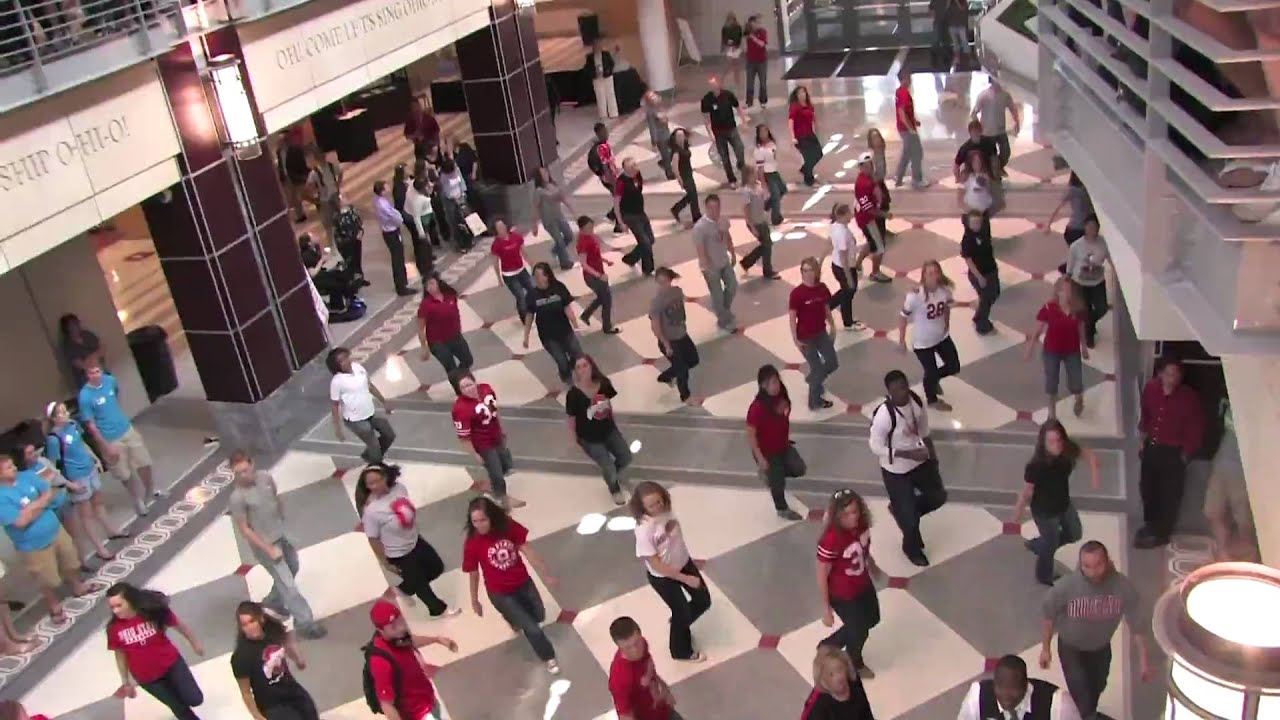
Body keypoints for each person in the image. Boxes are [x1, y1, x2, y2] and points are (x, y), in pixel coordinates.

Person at [1040, 542, 1152, 718]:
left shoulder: (1122, 587)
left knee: (1097, 687)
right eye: (1087, 566)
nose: (1093, 572)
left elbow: (1137, 624)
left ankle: (1087, 713)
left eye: (1098, 565)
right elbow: (1049, 616)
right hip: (1071, 648)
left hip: (1101, 648)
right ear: (1080, 564)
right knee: (1081, 693)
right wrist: (1045, 649)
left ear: (1107, 561)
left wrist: (1144, 661)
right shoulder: (1066, 587)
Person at [228, 450, 327, 639]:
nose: (243, 476)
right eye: (238, 473)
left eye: (245, 470)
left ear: (252, 465)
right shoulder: (237, 498)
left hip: (282, 534)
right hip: (265, 545)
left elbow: (275, 497)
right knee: (289, 586)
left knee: (293, 566)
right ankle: (305, 623)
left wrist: (283, 521)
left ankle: (273, 601)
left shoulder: (265, 477)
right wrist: (268, 549)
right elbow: (245, 529)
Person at [463, 496, 560, 673]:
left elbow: (527, 549)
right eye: (475, 521)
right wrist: (474, 600)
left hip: (523, 582)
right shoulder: (472, 542)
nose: (479, 525)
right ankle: (548, 657)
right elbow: (473, 573)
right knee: (532, 628)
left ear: (492, 517)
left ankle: (513, 619)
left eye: (483, 520)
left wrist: (546, 574)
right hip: (500, 593)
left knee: (539, 614)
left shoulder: (508, 526)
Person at [358, 464, 459, 619]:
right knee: (421, 585)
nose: (375, 486)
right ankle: (439, 610)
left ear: (386, 477)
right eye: (371, 483)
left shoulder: (399, 489)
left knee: (436, 567)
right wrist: (385, 562)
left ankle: (403, 588)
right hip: (398, 553)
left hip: (415, 540)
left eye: (378, 480)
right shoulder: (371, 511)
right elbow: (373, 539)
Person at [868, 370, 947, 567]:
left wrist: (933, 456)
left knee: (938, 496)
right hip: (896, 471)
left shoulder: (916, 402)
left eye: (904, 387)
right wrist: (907, 454)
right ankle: (911, 548)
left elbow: (924, 431)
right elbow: (875, 446)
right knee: (910, 520)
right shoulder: (884, 416)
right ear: (889, 392)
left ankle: (902, 511)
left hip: (921, 463)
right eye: (896, 390)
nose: (902, 392)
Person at [1010, 420, 1101, 586]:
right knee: (1050, 545)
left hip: (1063, 503)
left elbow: (1088, 455)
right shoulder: (1035, 466)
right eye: (1051, 442)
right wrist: (1017, 514)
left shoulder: (1067, 449)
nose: (1056, 445)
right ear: (1043, 443)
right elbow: (1027, 492)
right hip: (1044, 512)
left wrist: (1095, 474)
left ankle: (1040, 545)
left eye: (1059, 440)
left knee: (1075, 533)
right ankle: (1044, 575)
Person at [0, 453, 87, 623]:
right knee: (46, 579)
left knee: (70, 561)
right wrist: (41, 503)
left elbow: (50, 492)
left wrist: (32, 507)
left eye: (13, 465)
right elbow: (20, 522)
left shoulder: (27, 476)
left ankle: (78, 586)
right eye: (9, 468)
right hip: (33, 545)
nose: (15, 468)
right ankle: (54, 605)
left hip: (55, 530)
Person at [631, 481, 711, 663]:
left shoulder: (667, 510)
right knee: (681, 611)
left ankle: (679, 623)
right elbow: (656, 565)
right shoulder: (644, 530)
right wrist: (685, 578)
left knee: (703, 600)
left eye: (659, 501)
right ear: (642, 508)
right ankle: (681, 651)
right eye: (651, 506)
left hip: (683, 562)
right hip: (663, 577)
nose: (658, 507)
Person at [106, 582, 205, 719]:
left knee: (195, 698)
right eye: (112, 607)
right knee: (179, 708)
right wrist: (126, 682)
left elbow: (179, 625)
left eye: (119, 605)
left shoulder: (153, 612)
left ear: (130, 600)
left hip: (171, 664)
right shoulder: (114, 629)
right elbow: (120, 655)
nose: (116, 611)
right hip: (147, 678)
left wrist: (194, 642)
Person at [45, 400, 126, 560]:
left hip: (89, 469)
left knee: (99, 502)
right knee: (86, 515)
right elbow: (53, 466)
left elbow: (81, 444)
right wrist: (69, 484)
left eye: (66, 410)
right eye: (61, 412)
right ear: (54, 418)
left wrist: (94, 458)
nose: (66, 414)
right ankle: (99, 548)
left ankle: (111, 530)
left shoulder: (73, 425)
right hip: (76, 476)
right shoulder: (53, 439)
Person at [1135, 357, 1203, 549]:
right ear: (1161, 374)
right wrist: (1142, 439)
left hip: (1173, 452)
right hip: (1152, 446)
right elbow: (1146, 414)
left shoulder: (1188, 397)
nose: (1172, 379)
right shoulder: (1151, 389)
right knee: (1148, 488)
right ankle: (1150, 524)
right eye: (1169, 374)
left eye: (1176, 375)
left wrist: (1185, 454)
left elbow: (1195, 427)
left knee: (1170, 494)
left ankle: (1163, 532)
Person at [817, 489, 881, 679]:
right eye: (846, 514)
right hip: (843, 594)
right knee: (859, 630)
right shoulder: (831, 539)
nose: (852, 517)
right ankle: (855, 663)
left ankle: (830, 644)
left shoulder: (861, 526)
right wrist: (826, 607)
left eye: (855, 511)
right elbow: (822, 573)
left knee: (872, 619)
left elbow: (863, 548)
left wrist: (872, 565)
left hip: (863, 584)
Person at [78, 362, 156, 515]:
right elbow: (91, 425)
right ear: (87, 375)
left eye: (97, 371)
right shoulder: (85, 396)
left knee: (144, 462)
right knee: (124, 473)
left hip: (126, 429)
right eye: (92, 373)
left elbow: (116, 395)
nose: (96, 375)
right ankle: (137, 500)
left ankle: (150, 490)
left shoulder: (110, 381)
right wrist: (105, 446)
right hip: (110, 438)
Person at [365, 599, 457, 720]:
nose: (400, 628)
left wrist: (437, 639)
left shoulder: (398, 638)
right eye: (393, 626)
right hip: (416, 714)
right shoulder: (380, 661)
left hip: (429, 700)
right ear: (381, 631)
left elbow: (410, 641)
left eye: (400, 621)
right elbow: (387, 705)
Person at [231, 601, 319, 720]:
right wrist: (256, 715)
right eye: (244, 625)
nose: (249, 628)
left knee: (311, 714)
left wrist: (297, 659)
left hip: (291, 689)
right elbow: (245, 692)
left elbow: (287, 643)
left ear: (261, 619)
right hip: (272, 705)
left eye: (252, 621)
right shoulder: (241, 657)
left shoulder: (272, 632)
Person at [452, 371, 526, 509]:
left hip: (497, 435)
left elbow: (495, 411)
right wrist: (475, 455)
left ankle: (494, 484)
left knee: (505, 463)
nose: (468, 389)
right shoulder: (460, 409)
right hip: (483, 444)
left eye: (469, 384)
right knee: (496, 471)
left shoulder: (486, 389)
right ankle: (502, 498)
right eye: (463, 387)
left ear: (475, 382)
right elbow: (464, 437)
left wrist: (501, 430)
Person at [566, 355, 632, 505]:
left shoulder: (604, 383)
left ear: (591, 365)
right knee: (607, 465)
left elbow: (608, 404)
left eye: (585, 365)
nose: (583, 369)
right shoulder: (573, 394)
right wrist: (574, 438)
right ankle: (614, 488)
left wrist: (613, 423)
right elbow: (572, 418)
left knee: (626, 457)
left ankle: (614, 473)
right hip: (589, 438)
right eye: (579, 367)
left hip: (609, 430)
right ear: (575, 371)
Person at [898, 260, 961, 411]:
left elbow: (947, 306)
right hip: (922, 342)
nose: (934, 276)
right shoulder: (915, 296)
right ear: (924, 276)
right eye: (930, 273)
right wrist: (901, 340)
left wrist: (947, 323)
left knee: (953, 366)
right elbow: (903, 316)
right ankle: (932, 399)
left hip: (941, 337)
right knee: (930, 371)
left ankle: (932, 380)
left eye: (936, 272)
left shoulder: (945, 290)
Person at [746, 364, 806, 520]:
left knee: (799, 468)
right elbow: (751, 435)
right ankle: (781, 508)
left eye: (777, 381)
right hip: (767, 452)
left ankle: (771, 475)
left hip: (783, 445)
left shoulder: (782, 397)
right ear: (763, 386)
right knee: (778, 483)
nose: (776, 385)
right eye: (772, 383)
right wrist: (760, 458)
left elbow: (783, 416)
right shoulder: (757, 408)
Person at [1024, 277, 1089, 419]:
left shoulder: (1078, 309)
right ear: (1058, 291)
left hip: (1072, 350)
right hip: (1052, 350)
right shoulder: (1049, 308)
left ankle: (1079, 399)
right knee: (1051, 381)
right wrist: (1030, 348)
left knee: (1076, 379)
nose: (1067, 293)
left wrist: (1084, 346)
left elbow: (1081, 327)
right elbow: (1038, 330)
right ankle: (1052, 412)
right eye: (1063, 290)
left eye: (1070, 290)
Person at [1204, 401, 1256, 560]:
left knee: (1244, 521)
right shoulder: (1234, 404)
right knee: (1212, 511)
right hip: (1222, 464)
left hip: (1244, 471)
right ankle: (1223, 552)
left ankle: (1249, 558)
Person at [957, 654, 1080, 720]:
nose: (1005, 695)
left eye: (1012, 688)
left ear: (1026, 684)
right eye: (1000, 686)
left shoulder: (1058, 704)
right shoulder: (977, 698)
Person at [327, 347, 397, 463]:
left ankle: (369, 455)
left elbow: (369, 386)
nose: (346, 361)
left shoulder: (358, 367)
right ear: (336, 366)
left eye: (346, 357)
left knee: (389, 434)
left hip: (370, 413)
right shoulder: (337, 381)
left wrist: (384, 402)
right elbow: (335, 405)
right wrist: (338, 428)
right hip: (355, 420)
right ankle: (376, 463)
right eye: (341, 361)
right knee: (374, 445)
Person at [608, 616, 683, 720]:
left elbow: (649, 668)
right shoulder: (620, 678)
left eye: (636, 642)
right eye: (628, 648)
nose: (635, 650)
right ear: (619, 646)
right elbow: (625, 715)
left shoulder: (643, 645)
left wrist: (664, 689)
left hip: (663, 710)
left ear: (640, 635)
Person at [790, 257, 839, 411]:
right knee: (817, 368)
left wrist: (833, 325)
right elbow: (792, 318)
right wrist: (795, 340)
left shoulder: (822, 289)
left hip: (821, 333)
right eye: (804, 270)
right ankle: (815, 401)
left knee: (832, 363)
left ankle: (814, 380)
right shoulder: (797, 294)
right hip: (805, 337)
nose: (808, 274)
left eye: (810, 270)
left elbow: (826, 308)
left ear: (816, 271)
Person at [523, 262, 582, 384]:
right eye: (535, 276)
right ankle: (568, 380)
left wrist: (576, 327)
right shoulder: (532, 295)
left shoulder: (558, 287)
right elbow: (529, 315)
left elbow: (567, 308)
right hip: (548, 336)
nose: (537, 279)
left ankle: (582, 376)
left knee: (578, 355)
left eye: (539, 276)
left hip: (565, 330)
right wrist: (526, 336)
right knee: (562, 361)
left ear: (547, 275)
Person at [416, 274, 474, 395]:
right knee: (451, 368)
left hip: (455, 336)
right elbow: (420, 328)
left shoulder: (450, 295)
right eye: (427, 285)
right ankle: (460, 392)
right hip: (438, 342)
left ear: (438, 282)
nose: (429, 287)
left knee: (468, 360)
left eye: (432, 283)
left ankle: (462, 377)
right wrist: (424, 347)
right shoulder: (426, 305)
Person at [650, 267, 700, 404]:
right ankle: (686, 396)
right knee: (682, 369)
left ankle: (666, 376)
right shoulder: (656, 302)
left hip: (682, 334)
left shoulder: (677, 291)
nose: (663, 285)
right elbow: (655, 326)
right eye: (660, 282)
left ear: (670, 280)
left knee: (693, 360)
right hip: (669, 340)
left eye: (665, 282)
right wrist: (666, 344)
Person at [692, 194, 739, 331]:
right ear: (706, 208)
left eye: (717, 208)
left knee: (732, 286)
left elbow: (728, 237)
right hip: (710, 266)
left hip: (724, 261)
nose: (715, 211)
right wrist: (707, 266)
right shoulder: (700, 228)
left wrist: (732, 252)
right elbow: (700, 249)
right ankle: (723, 320)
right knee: (717, 294)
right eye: (711, 208)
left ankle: (724, 310)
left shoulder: (723, 220)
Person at [1064, 216, 1109, 348]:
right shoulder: (1076, 246)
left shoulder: (1103, 243)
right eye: (1089, 226)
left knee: (1102, 308)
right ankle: (1089, 334)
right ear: (1084, 227)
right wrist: (1068, 279)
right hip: (1080, 283)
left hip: (1097, 282)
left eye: (1094, 227)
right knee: (1084, 310)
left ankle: (1089, 324)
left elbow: (1110, 258)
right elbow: (1070, 263)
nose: (1091, 229)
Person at [800, 646, 876, 719]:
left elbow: (865, 711)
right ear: (823, 681)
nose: (839, 677)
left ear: (846, 666)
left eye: (840, 669)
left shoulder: (854, 682)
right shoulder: (819, 707)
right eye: (831, 674)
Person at [851, 152, 891, 283]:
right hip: (867, 219)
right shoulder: (863, 184)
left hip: (870, 216)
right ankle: (875, 273)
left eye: (871, 165)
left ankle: (857, 264)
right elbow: (868, 209)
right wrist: (885, 215)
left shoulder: (867, 178)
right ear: (861, 167)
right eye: (866, 166)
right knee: (879, 247)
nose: (870, 168)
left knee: (871, 242)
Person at [576, 216, 620, 334]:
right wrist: (599, 275)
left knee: (602, 297)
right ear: (581, 229)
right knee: (607, 300)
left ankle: (586, 315)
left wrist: (605, 261)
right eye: (588, 228)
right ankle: (607, 327)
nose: (591, 230)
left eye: (591, 227)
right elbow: (584, 264)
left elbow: (594, 254)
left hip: (598, 272)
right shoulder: (582, 243)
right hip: (593, 276)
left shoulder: (589, 236)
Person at [701, 76, 747, 187]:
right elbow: (706, 117)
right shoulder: (707, 100)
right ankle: (731, 179)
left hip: (731, 128)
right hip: (718, 132)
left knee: (740, 148)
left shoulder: (728, 95)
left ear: (719, 84)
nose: (713, 87)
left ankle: (741, 166)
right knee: (724, 157)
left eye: (714, 84)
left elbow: (738, 107)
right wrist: (709, 133)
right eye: (711, 85)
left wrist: (744, 121)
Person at [961, 209, 1000, 335]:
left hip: (991, 269)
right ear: (968, 223)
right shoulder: (967, 239)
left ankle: (979, 317)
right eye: (973, 223)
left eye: (978, 222)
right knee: (986, 298)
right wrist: (979, 277)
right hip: (979, 274)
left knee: (994, 294)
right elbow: (968, 260)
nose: (976, 225)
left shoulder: (984, 231)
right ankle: (982, 324)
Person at [373, 180, 415, 297]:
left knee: (399, 257)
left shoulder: (380, 201)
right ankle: (401, 287)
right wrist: (400, 219)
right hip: (391, 233)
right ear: (382, 191)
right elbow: (393, 216)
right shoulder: (382, 204)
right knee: (398, 259)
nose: (388, 188)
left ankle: (403, 281)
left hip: (389, 231)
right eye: (386, 187)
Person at [618, 158, 657, 276]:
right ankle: (648, 269)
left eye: (635, 165)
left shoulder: (638, 175)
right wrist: (621, 222)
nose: (635, 168)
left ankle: (631, 258)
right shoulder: (621, 182)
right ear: (626, 169)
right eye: (632, 167)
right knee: (645, 242)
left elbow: (639, 188)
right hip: (629, 216)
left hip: (640, 212)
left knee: (650, 240)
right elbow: (616, 203)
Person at [971, 77, 1020, 172]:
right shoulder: (984, 95)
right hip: (987, 132)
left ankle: (998, 168)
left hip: (1000, 131)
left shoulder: (1005, 95)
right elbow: (974, 113)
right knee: (990, 155)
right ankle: (992, 171)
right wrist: (978, 127)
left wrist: (1016, 122)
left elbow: (1013, 109)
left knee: (1005, 153)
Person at [828, 203, 864, 331]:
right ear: (841, 215)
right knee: (848, 293)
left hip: (838, 265)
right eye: (848, 213)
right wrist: (849, 277)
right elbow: (843, 258)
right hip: (844, 268)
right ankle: (847, 323)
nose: (851, 215)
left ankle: (826, 307)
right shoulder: (842, 233)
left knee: (847, 291)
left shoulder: (836, 226)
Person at [392, 163, 431, 281]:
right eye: (405, 170)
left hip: (414, 213)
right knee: (420, 240)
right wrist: (421, 232)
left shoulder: (410, 183)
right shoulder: (401, 189)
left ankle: (425, 259)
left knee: (422, 241)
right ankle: (423, 265)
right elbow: (416, 217)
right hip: (410, 216)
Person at [533, 167, 577, 270]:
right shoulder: (538, 191)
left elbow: (563, 199)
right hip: (549, 220)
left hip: (559, 216)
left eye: (546, 172)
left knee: (569, 236)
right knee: (559, 240)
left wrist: (573, 211)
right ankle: (565, 262)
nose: (545, 175)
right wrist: (534, 224)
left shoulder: (554, 186)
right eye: (542, 174)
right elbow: (535, 207)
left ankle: (556, 250)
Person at [739, 166, 779, 278]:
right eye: (753, 174)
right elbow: (746, 210)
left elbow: (765, 199)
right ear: (747, 176)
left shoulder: (758, 186)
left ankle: (747, 262)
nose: (755, 175)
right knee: (767, 245)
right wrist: (752, 227)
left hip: (762, 220)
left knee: (766, 245)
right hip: (755, 222)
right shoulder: (746, 191)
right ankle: (766, 270)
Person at [893, 69, 930, 189]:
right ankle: (916, 179)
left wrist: (914, 121)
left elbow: (905, 112)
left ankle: (898, 176)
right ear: (904, 79)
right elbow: (902, 112)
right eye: (908, 78)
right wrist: (910, 128)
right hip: (907, 130)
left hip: (904, 128)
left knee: (907, 153)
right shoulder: (904, 93)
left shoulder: (900, 91)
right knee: (917, 153)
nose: (910, 80)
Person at [492, 220, 534, 323]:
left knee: (532, 290)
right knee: (520, 296)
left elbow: (524, 252)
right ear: (496, 230)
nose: (502, 229)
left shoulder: (516, 237)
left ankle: (532, 308)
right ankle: (525, 319)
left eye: (502, 226)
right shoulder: (496, 244)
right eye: (499, 227)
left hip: (521, 270)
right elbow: (495, 263)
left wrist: (532, 264)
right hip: (509, 276)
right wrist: (499, 279)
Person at [586, 123, 624, 233]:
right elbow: (605, 167)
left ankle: (612, 215)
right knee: (619, 200)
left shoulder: (603, 145)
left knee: (620, 199)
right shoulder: (601, 148)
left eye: (606, 131)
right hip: (610, 179)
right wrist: (613, 182)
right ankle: (618, 225)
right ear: (598, 134)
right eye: (603, 132)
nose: (607, 134)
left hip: (611, 177)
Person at [1047, 173, 1094, 254]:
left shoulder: (1073, 190)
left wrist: (1049, 224)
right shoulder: (1083, 190)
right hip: (1080, 229)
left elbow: (1058, 207)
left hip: (1076, 229)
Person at [304, 146, 343, 244]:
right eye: (319, 157)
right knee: (328, 224)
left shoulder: (331, 167)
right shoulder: (314, 173)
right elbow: (307, 188)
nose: (322, 159)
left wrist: (337, 185)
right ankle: (332, 243)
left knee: (340, 218)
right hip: (324, 200)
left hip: (334, 195)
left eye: (322, 156)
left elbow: (340, 173)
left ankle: (342, 238)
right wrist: (315, 197)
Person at [58, 312, 105, 390]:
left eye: (76, 323)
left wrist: (93, 357)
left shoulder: (87, 334)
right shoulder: (68, 345)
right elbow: (80, 365)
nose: (75, 326)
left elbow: (102, 348)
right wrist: (93, 358)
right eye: (72, 325)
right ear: (66, 328)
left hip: (102, 373)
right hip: (86, 381)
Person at [753, 124, 786, 224]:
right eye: (761, 132)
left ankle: (767, 205)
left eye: (765, 131)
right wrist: (763, 184)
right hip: (767, 174)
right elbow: (760, 168)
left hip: (774, 171)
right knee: (776, 196)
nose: (764, 134)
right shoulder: (759, 150)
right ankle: (776, 219)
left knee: (783, 190)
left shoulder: (772, 143)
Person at [790, 86, 823, 186]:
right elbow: (791, 122)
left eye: (803, 92)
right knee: (808, 157)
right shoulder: (795, 107)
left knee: (818, 154)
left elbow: (814, 118)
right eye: (799, 93)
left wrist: (817, 128)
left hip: (810, 134)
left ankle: (804, 170)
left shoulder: (809, 105)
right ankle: (809, 180)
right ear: (796, 95)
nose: (802, 95)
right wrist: (793, 137)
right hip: (800, 137)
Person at [669, 128, 701, 225]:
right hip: (684, 175)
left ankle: (676, 209)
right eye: (678, 136)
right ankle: (695, 216)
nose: (681, 138)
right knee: (692, 195)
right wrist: (680, 180)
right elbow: (674, 167)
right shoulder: (676, 151)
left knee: (692, 195)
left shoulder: (685, 146)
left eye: (682, 136)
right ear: (675, 138)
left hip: (688, 173)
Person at [643, 91, 676, 180]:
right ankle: (669, 173)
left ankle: (664, 163)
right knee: (666, 155)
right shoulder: (650, 112)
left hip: (666, 133)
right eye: (651, 97)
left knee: (673, 150)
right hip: (660, 137)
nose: (654, 98)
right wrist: (654, 141)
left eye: (654, 95)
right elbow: (652, 127)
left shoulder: (660, 107)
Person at [867, 129, 891, 240]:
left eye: (878, 137)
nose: (877, 140)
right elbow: (871, 173)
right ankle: (880, 234)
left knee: (885, 206)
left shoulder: (880, 152)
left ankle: (883, 230)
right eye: (874, 138)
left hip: (880, 182)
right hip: (876, 184)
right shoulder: (873, 156)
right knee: (881, 207)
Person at [589, 39, 619, 119]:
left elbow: (611, 64)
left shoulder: (606, 54)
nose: (596, 47)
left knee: (610, 94)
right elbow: (588, 68)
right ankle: (603, 115)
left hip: (607, 77)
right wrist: (594, 74)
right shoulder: (590, 57)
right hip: (597, 79)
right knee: (600, 96)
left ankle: (613, 113)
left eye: (598, 46)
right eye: (595, 46)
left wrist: (607, 71)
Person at [744, 15, 769, 108]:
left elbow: (762, 44)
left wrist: (754, 38)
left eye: (755, 23)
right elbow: (743, 37)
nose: (754, 25)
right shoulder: (748, 33)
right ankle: (749, 102)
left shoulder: (762, 32)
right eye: (752, 24)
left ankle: (763, 100)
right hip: (750, 61)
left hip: (761, 61)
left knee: (762, 82)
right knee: (749, 82)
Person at [721, 12, 745, 91]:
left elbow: (739, 37)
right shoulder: (725, 28)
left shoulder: (738, 27)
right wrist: (724, 47)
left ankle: (737, 82)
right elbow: (724, 39)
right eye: (729, 19)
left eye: (732, 19)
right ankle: (723, 80)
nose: (731, 20)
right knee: (728, 65)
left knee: (736, 66)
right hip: (729, 48)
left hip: (736, 48)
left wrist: (739, 46)